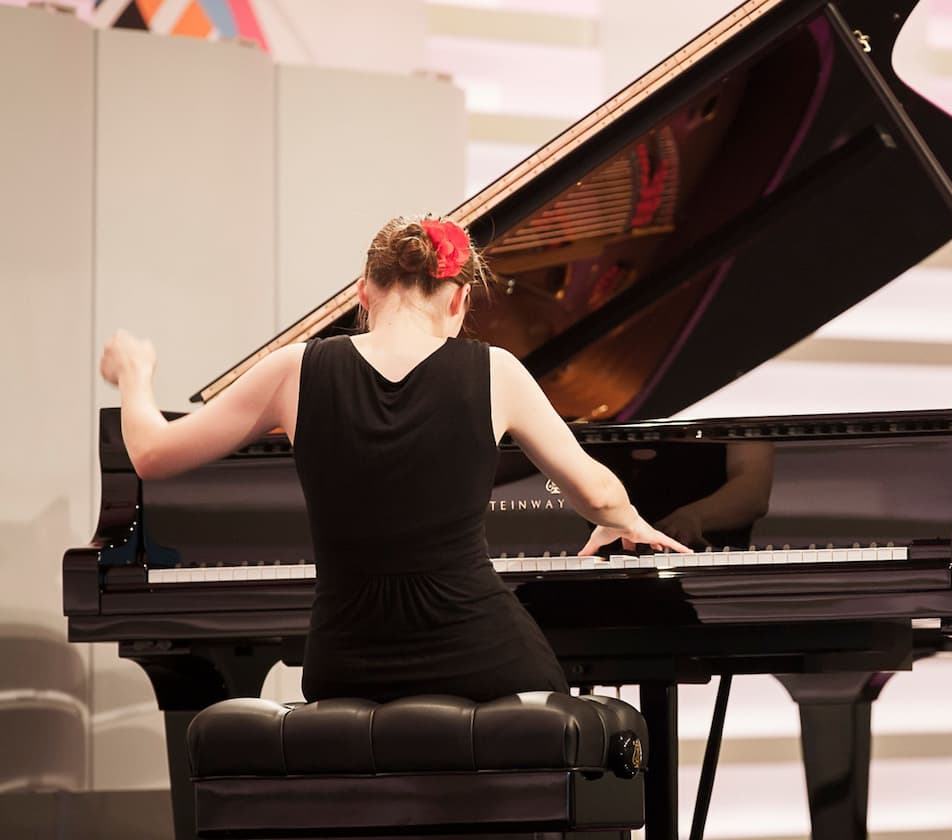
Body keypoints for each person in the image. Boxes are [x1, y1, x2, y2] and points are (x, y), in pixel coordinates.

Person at [97, 216, 688, 702]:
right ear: (458, 302)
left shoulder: (295, 371)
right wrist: (624, 518)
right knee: (571, 729)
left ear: (363, 294)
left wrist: (134, 374)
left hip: (346, 663)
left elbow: (149, 452)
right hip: (480, 654)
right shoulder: (495, 371)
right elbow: (599, 493)